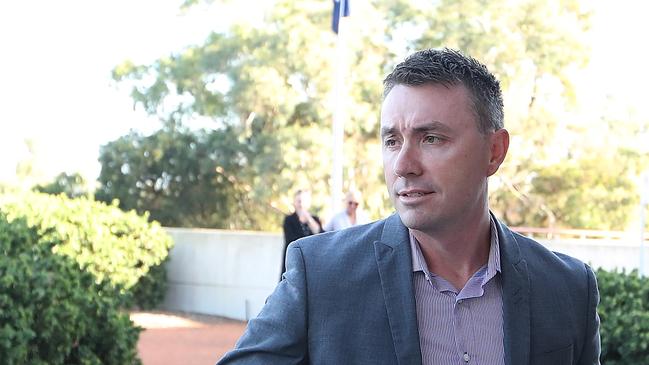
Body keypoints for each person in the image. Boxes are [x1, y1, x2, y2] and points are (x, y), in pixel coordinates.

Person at [217, 48, 600, 364]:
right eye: (391, 141)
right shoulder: (319, 274)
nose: (403, 164)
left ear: (494, 152)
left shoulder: (568, 288)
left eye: (431, 138)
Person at [280, 189, 322, 278]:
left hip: (311, 263)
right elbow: (291, 240)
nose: (301, 204)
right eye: (299, 201)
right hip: (294, 262)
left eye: (304, 201)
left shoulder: (315, 219)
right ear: (294, 203)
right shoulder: (289, 220)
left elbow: (321, 236)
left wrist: (309, 220)